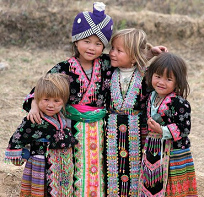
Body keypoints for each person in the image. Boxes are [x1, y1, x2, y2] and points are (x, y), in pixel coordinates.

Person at [22, 3, 167, 196]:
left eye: (98, 43)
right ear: (75, 41)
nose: (92, 47)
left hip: (99, 131)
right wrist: (33, 105)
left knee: (96, 170)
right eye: (86, 41)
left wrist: (147, 54)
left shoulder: (107, 63)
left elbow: (127, 60)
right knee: (69, 171)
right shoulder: (63, 68)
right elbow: (41, 90)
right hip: (69, 126)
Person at [105, 28, 167, 196]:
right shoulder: (108, 71)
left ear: (133, 56)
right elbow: (131, 59)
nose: (112, 53)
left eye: (118, 50)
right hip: (110, 132)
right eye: (112, 48)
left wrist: (150, 54)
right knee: (112, 169)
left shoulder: (147, 76)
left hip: (138, 133)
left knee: (135, 169)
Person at [5, 73, 78, 197]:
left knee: (59, 188)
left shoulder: (62, 116)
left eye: (56, 101)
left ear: (63, 101)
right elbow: (19, 135)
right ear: (37, 98)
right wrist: (18, 154)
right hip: (40, 162)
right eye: (46, 100)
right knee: (40, 189)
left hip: (60, 162)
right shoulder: (34, 119)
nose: (51, 105)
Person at [138, 52, 198, 196]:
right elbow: (140, 72)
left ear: (178, 82)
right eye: (157, 76)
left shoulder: (180, 103)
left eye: (168, 79)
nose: (161, 82)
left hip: (173, 153)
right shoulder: (149, 96)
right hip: (153, 150)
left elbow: (184, 128)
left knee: (171, 188)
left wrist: (162, 130)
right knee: (152, 184)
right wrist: (150, 55)